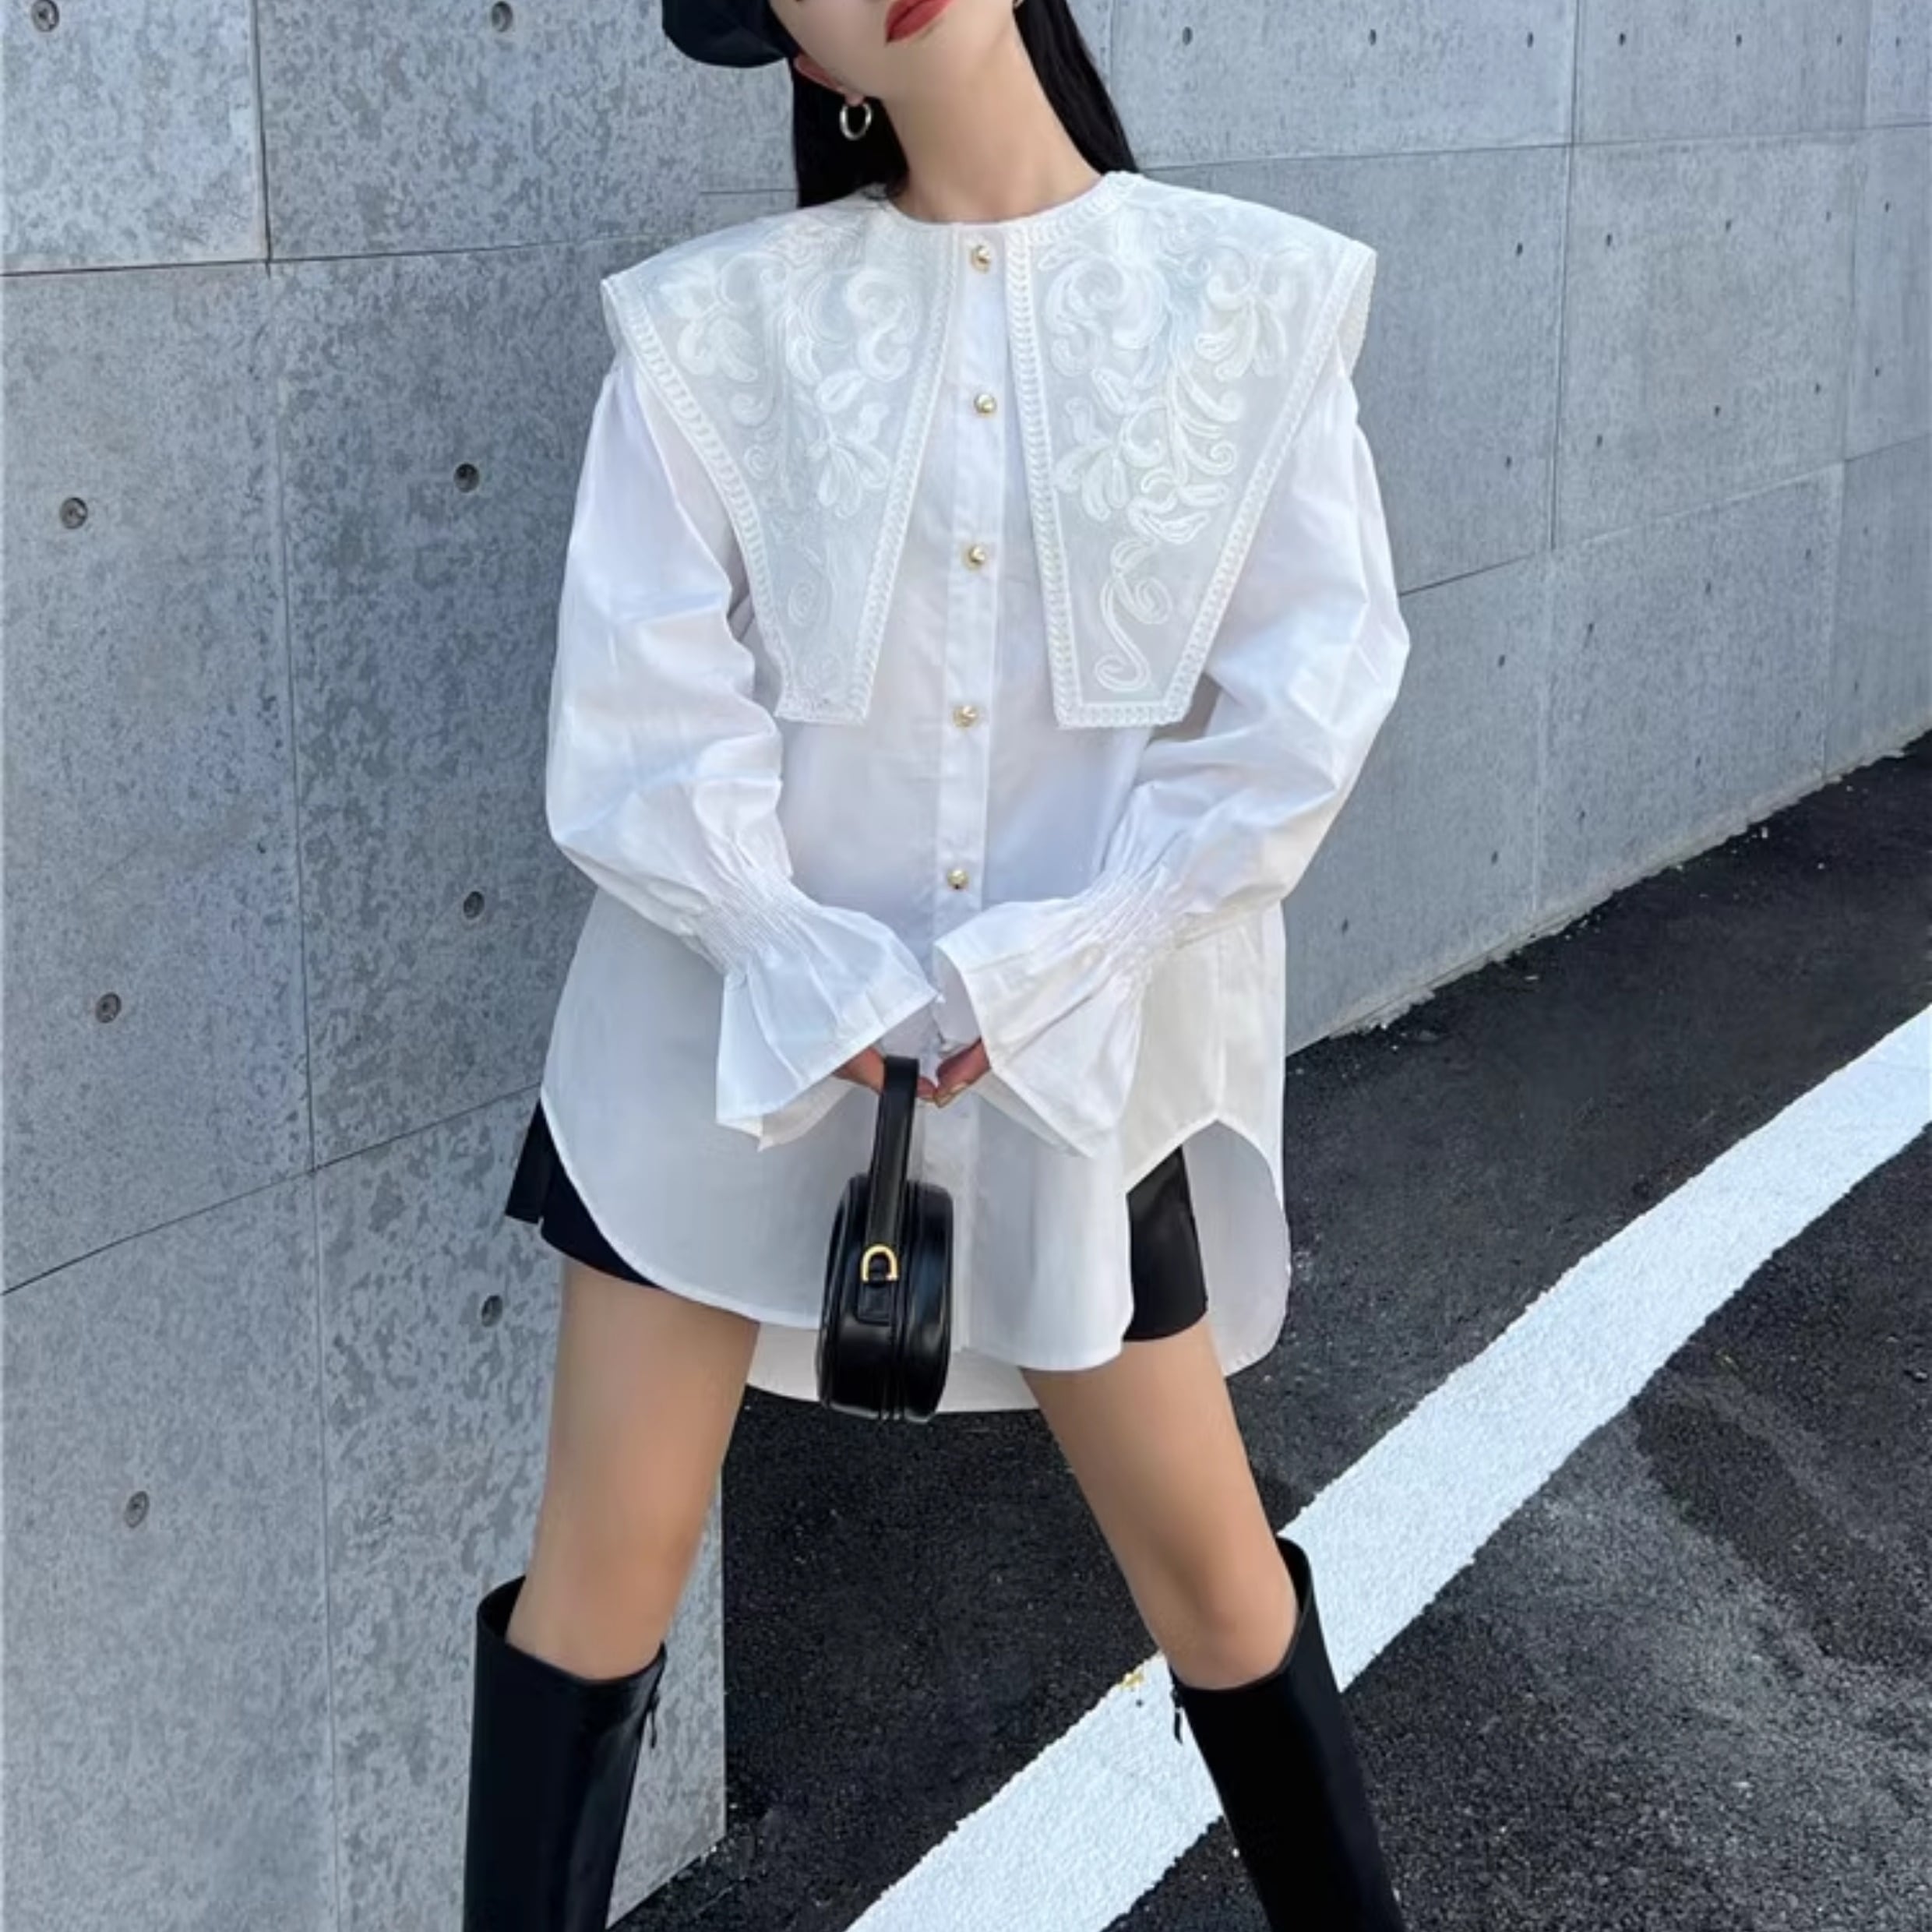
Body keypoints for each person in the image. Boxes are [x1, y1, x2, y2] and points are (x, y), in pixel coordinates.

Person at [462, 2, 1415, 1927]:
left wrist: (1063, 955)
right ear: (801, 57)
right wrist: (799, 954)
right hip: (712, 1043)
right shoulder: (707, 329)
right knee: (598, 1586)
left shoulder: (1252, 301)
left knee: (1215, 1581)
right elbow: (640, 721)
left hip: (1079, 1057)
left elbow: (1304, 702)